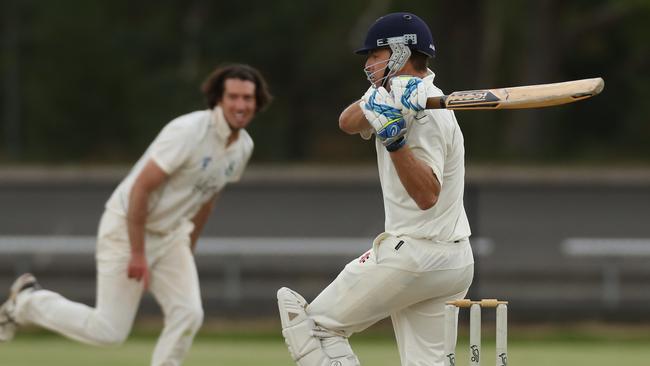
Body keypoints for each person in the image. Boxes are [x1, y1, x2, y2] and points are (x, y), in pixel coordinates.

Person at [0, 64, 272, 366]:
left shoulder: (243, 147)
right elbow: (140, 189)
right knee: (110, 331)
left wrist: (188, 250)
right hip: (127, 230)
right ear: (218, 99)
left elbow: (207, 201)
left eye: (247, 98)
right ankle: (28, 302)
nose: (241, 105)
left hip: (172, 236)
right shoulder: (189, 131)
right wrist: (138, 253)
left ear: (257, 101)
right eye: (233, 96)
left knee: (189, 313)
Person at [277, 12, 474, 366]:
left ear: (399, 52)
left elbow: (427, 195)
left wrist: (395, 140)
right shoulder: (395, 94)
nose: (368, 63)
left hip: (415, 252)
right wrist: (380, 100)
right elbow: (346, 122)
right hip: (453, 261)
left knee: (312, 326)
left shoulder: (428, 111)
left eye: (374, 55)